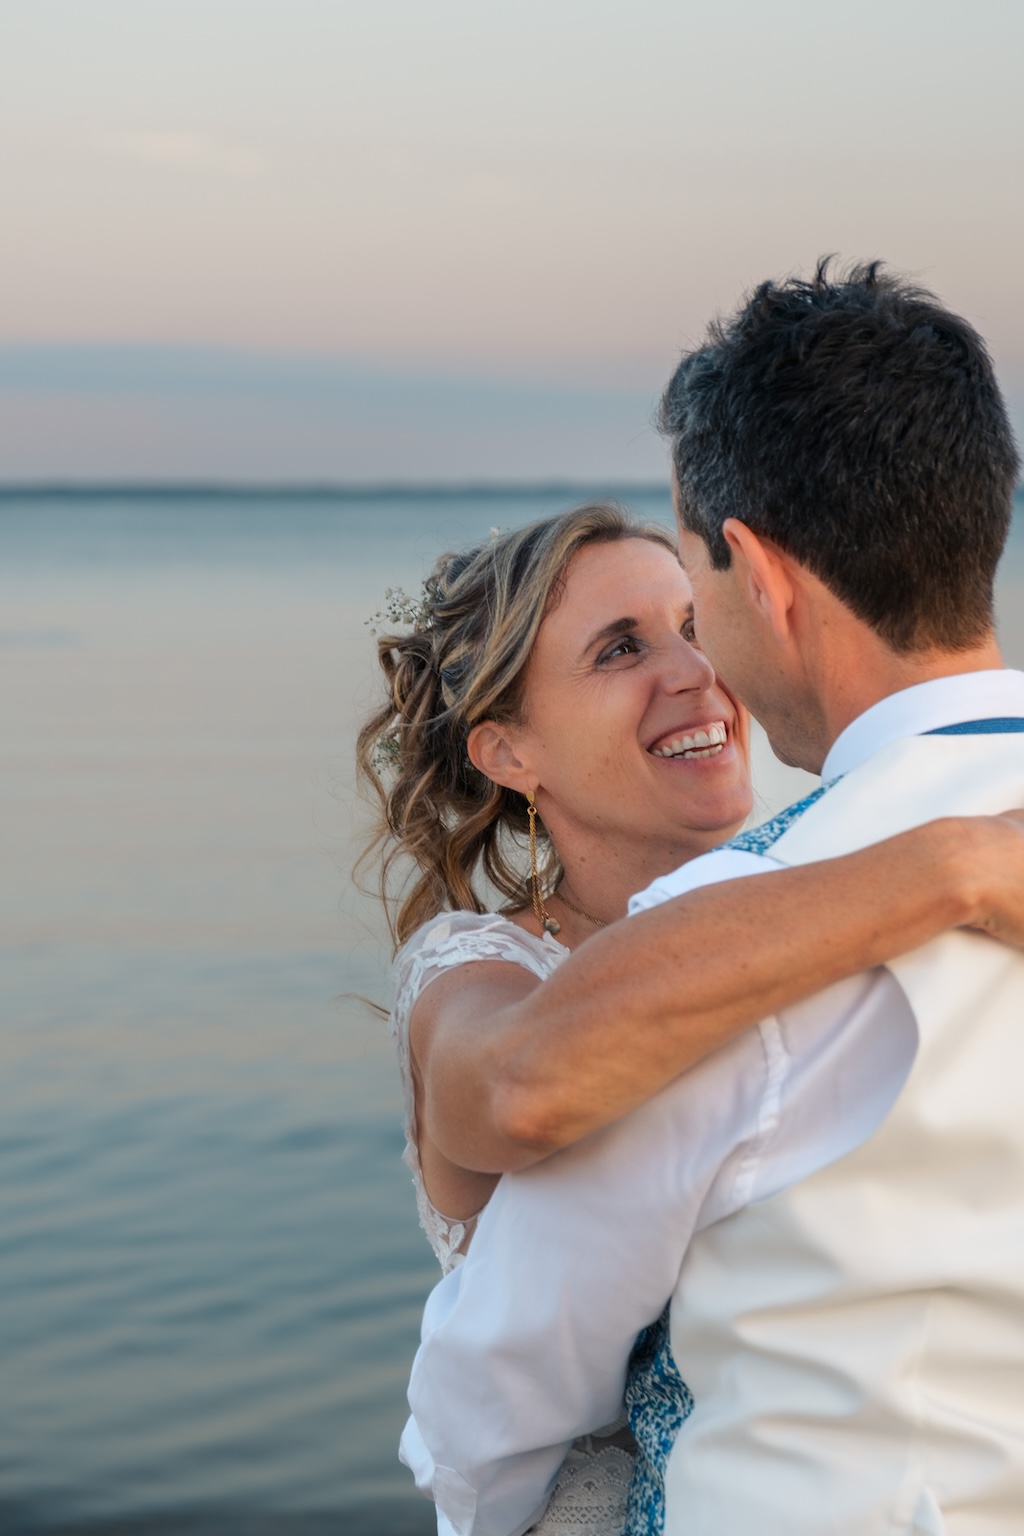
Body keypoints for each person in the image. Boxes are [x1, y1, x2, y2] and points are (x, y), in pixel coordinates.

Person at [397, 261, 1024, 1536]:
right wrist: (952, 865)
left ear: (762, 580)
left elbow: (490, 1396)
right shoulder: (535, 969)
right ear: (505, 749)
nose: (695, 672)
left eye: (695, 612)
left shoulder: (758, 918)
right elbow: (506, 1086)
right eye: (621, 648)